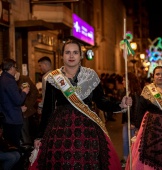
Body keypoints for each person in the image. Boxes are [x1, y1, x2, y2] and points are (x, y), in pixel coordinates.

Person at [29, 40, 132, 170]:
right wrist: (40, 135)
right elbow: (48, 110)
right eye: (68, 52)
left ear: (81, 56)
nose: (71, 56)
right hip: (60, 130)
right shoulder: (53, 78)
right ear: (62, 55)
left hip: (87, 130)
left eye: (75, 53)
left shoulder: (91, 76)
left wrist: (120, 104)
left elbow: (101, 101)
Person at [125, 66, 162, 170]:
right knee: (151, 151)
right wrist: (137, 126)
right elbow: (140, 109)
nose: (160, 76)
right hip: (152, 127)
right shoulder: (148, 89)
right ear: (153, 76)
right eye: (157, 74)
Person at [0, 58, 30, 148]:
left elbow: (7, 99)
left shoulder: (2, 78)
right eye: (15, 67)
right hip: (12, 119)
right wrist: (24, 92)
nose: (16, 70)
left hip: (6, 117)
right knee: (14, 146)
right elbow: (18, 101)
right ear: (11, 68)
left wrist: (20, 90)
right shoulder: (9, 81)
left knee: (10, 143)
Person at [120, 72, 142, 168]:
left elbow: (137, 108)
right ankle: (126, 160)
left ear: (130, 81)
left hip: (132, 123)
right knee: (125, 141)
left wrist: (134, 123)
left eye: (125, 80)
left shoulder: (135, 94)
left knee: (132, 143)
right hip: (127, 121)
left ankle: (131, 161)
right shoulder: (126, 92)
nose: (123, 81)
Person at [15, 71, 38, 145]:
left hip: (26, 112)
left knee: (26, 133)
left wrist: (27, 105)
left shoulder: (24, 79)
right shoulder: (7, 80)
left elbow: (34, 92)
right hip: (14, 111)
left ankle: (28, 149)